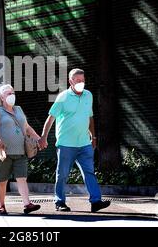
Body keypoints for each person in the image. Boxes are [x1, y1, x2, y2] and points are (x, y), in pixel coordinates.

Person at [39, 68, 111, 213]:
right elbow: (51, 118)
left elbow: (90, 117)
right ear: (70, 81)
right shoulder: (63, 97)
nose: (81, 83)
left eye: (83, 80)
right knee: (62, 174)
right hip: (66, 144)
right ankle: (59, 202)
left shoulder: (88, 95)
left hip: (84, 143)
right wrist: (43, 137)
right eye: (78, 81)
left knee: (89, 172)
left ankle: (95, 202)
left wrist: (93, 136)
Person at [0, 84, 42, 215]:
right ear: (1, 97)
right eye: (8, 93)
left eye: (12, 93)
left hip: (20, 151)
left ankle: (27, 204)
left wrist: (38, 138)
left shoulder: (19, 109)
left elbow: (26, 126)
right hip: (3, 152)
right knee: (2, 181)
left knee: (22, 178)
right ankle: (1, 205)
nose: (12, 95)